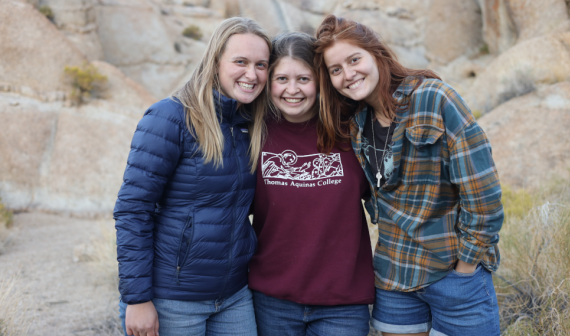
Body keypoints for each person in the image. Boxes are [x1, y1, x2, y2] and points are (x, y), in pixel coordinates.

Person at [314, 15, 504, 336]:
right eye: (336, 70)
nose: (348, 74)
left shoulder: (433, 98)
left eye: (354, 59)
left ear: (376, 53)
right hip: (394, 277)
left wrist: (467, 266)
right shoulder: (355, 123)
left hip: (453, 275)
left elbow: (483, 192)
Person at [113, 17, 271, 336]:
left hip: (234, 295)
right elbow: (133, 210)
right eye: (240, 62)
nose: (252, 74)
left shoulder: (250, 123)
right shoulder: (169, 118)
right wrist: (138, 299)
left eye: (261, 65)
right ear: (215, 62)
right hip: (173, 298)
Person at [247, 32, 375, 336]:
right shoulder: (252, 132)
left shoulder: (352, 130)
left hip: (343, 303)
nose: (292, 90)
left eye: (303, 79)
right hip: (271, 300)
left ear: (319, 81)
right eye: (281, 79)